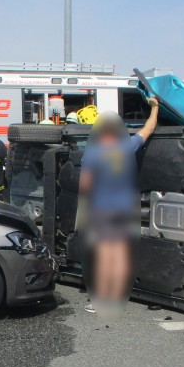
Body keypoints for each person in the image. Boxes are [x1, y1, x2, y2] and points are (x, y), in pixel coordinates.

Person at [79, 99, 159, 315]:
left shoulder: (93, 153)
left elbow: (85, 185)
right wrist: (155, 107)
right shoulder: (126, 146)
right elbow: (149, 128)